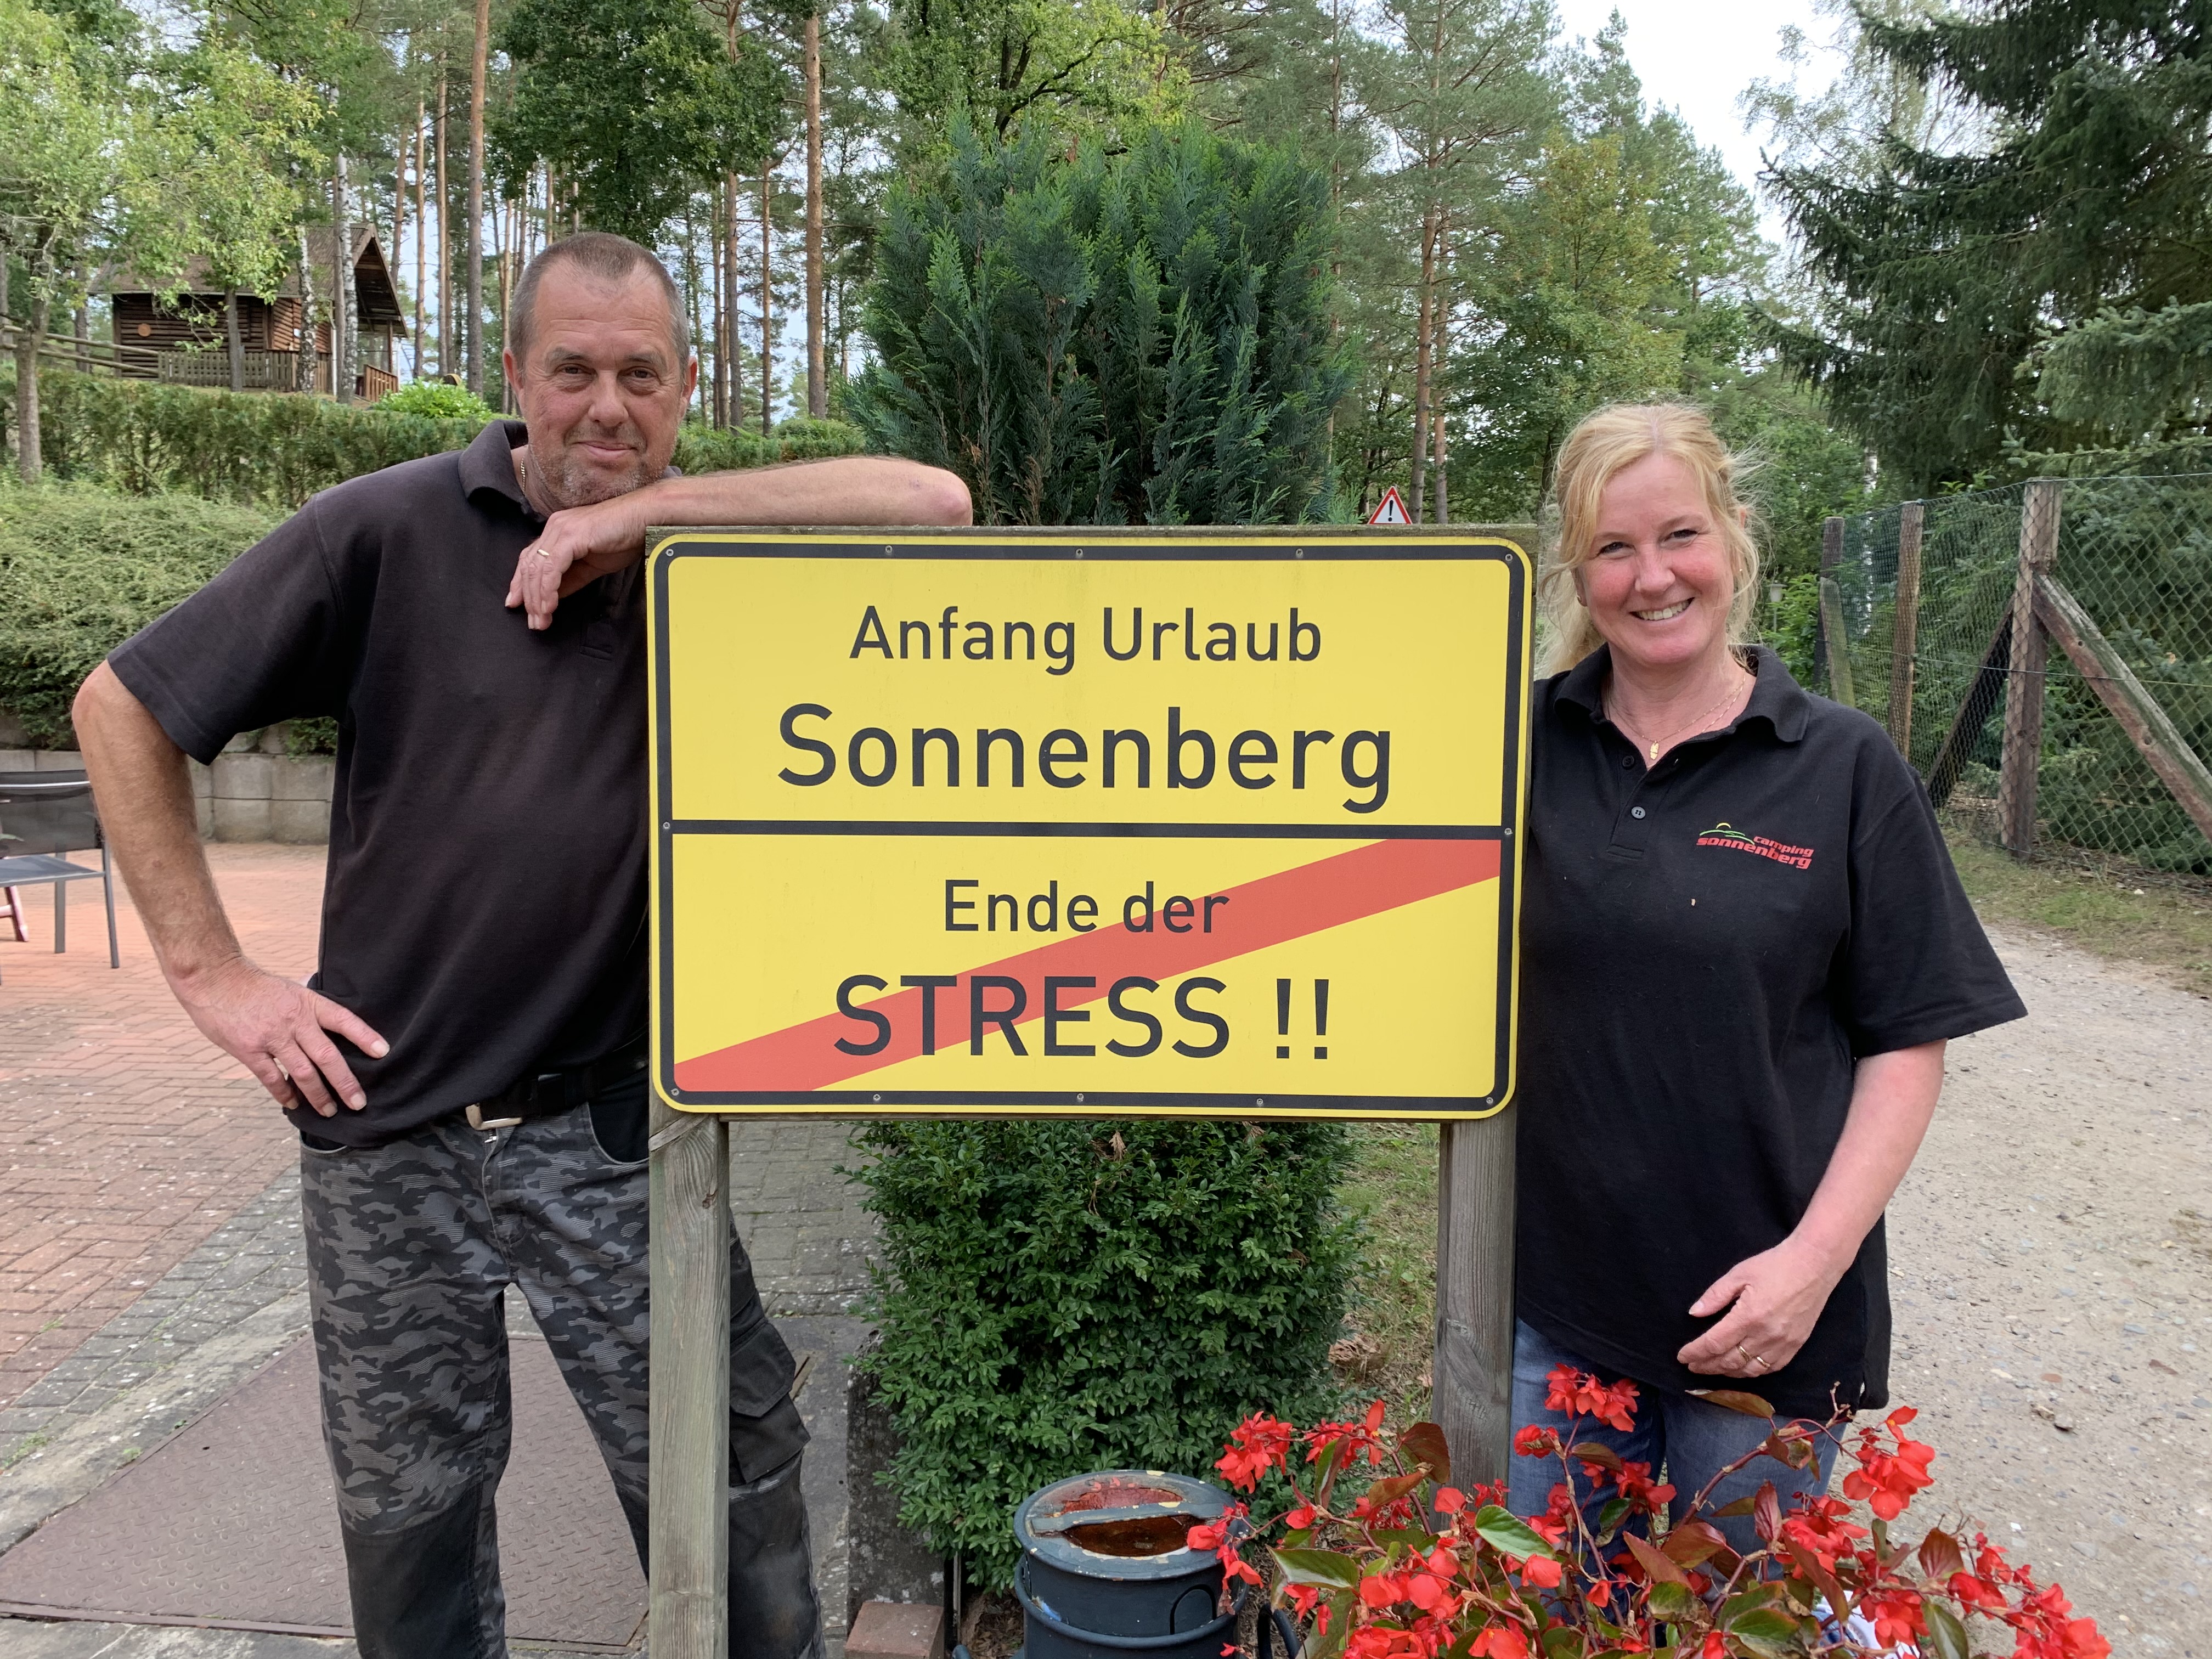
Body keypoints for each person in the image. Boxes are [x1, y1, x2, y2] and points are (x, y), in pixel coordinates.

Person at [74, 231, 972, 1657]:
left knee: (727, 1475)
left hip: (610, 1130)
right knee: (408, 1510)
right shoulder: (382, 532)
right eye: (572, 371)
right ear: (513, 376)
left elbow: (934, 504)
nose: (605, 408)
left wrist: (639, 526)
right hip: (385, 1132)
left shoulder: (717, 558)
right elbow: (124, 705)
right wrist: (213, 977)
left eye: (641, 375)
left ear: (686, 391)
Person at [1507, 403, 2024, 1551]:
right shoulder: (1514, 749)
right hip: (1554, 1315)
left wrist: (1811, 1265)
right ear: (1575, 571)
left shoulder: (1841, 766)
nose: (1653, 578)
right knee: (1542, 1619)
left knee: (1730, 1624)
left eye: (1679, 535)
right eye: (1613, 547)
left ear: (1737, 537)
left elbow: (1907, 1041)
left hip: (1763, 1332)